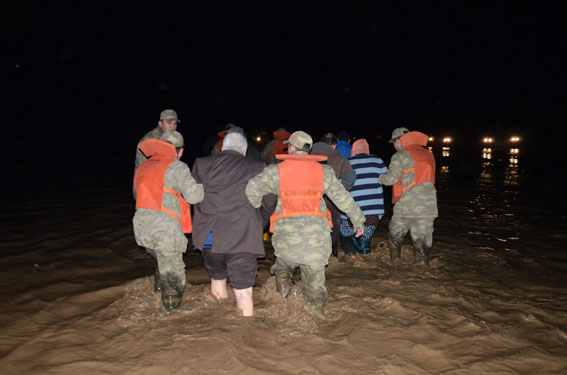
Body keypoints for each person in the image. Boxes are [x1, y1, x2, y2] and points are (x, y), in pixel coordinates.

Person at [245, 131, 365, 315]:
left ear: (292, 147)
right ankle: (318, 318)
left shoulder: (275, 171)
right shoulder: (324, 172)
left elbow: (251, 190)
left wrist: (258, 213)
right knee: (315, 289)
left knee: (282, 274)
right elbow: (344, 199)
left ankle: (283, 311)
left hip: (286, 241)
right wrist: (358, 221)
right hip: (317, 242)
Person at [192, 132, 276, 316]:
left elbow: (194, 197)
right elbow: (270, 200)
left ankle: (219, 330)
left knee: (217, 279)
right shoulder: (257, 167)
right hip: (242, 237)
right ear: (245, 150)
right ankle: (243, 335)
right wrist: (258, 222)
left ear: (222, 147)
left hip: (210, 237)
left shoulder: (201, 164)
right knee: (244, 291)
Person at [133, 131, 204, 313]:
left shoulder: (143, 166)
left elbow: (136, 194)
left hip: (141, 227)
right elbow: (194, 196)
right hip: (165, 228)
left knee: (161, 258)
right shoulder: (177, 167)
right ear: (179, 151)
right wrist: (204, 186)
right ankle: (171, 314)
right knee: (173, 272)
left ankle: (157, 293)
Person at [378, 127, 437, 265]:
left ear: (399, 140)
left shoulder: (399, 156)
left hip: (407, 205)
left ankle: (395, 263)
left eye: (394, 142)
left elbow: (391, 179)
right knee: (422, 240)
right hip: (429, 206)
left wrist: (378, 178)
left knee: (395, 235)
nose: (394, 146)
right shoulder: (428, 153)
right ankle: (422, 269)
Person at [310, 132, 357, 257]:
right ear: (335, 145)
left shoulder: (308, 154)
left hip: (309, 197)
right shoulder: (338, 157)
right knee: (334, 223)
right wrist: (342, 189)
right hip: (331, 199)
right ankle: (332, 249)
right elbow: (351, 177)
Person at [339, 138, 388, 255]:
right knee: (365, 241)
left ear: (353, 150)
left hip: (352, 214)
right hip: (374, 213)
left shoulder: (346, 162)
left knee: (344, 233)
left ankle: (352, 256)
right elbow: (386, 179)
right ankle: (364, 250)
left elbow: (339, 185)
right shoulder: (377, 160)